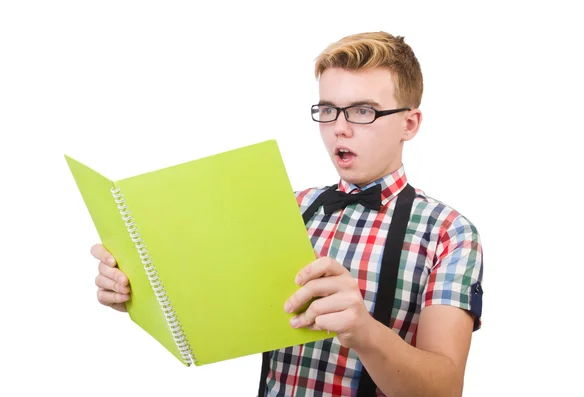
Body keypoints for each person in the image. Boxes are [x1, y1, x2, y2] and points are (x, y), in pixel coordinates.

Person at [91, 31, 483, 397]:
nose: (340, 129)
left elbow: (446, 387)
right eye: (329, 110)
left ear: (409, 123)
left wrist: (363, 330)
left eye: (363, 111)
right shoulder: (288, 206)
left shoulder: (449, 233)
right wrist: (137, 287)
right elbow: (217, 304)